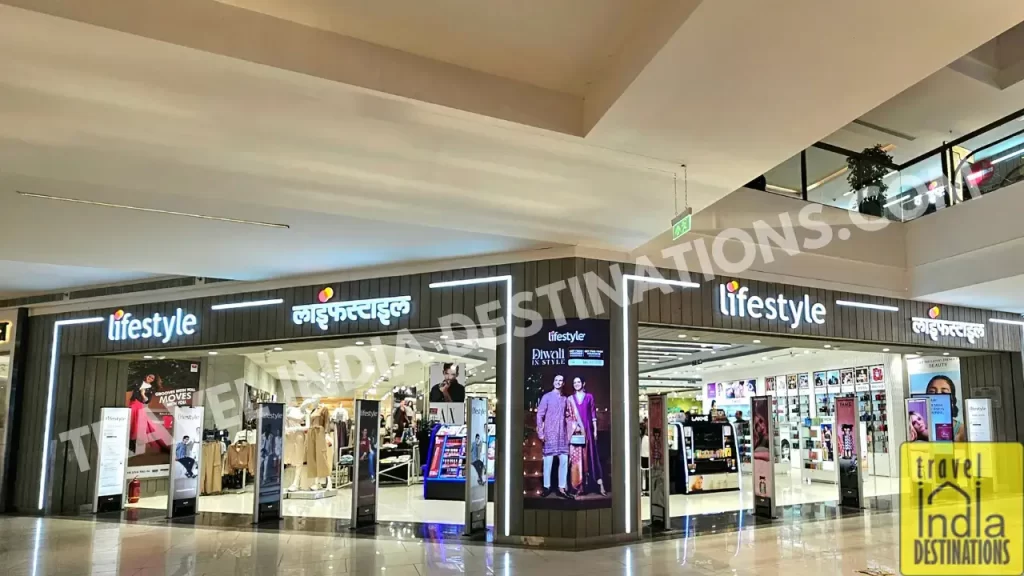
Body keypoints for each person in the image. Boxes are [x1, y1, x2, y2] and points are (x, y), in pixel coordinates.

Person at [535, 375, 572, 499]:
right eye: (556, 380)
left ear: (563, 383)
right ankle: (546, 487)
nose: (558, 382)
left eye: (560, 380)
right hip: (549, 434)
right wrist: (541, 432)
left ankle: (562, 488)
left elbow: (568, 415)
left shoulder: (565, 399)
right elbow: (539, 415)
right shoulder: (547, 397)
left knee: (564, 461)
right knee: (548, 462)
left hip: (562, 434)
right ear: (553, 382)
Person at [925, 375, 966, 442]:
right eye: (932, 391)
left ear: (952, 399)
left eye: (944, 392)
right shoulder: (917, 428)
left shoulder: (962, 431)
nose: (938, 395)